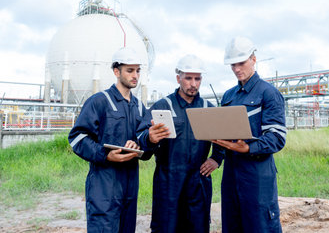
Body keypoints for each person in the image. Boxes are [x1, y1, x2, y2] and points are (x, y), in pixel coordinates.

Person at [137, 54, 224, 233]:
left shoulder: (209, 109)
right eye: (188, 78)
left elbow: (223, 137)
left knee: (198, 227)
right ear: (178, 78)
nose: (193, 84)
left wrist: (216, 158)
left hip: (198, 181)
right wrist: (150, 138)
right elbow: (141, 136)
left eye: (197, 78)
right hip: (168, 181)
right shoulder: (163, 105)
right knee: (166, 227)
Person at [68, 47, 149, 233]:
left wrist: (143, 143)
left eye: (138, 70)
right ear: (116, 71)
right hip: (104, 186)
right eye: (130, 70)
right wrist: (105, 155)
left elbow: (145, 144)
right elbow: (77, 137)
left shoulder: (139, 107)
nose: (135, 75)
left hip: (130, 186)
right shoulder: (99, 101)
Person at [213, 36, 287, 233]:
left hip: (257, 174)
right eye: (232, 64)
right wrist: (215, 157)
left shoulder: (268, 93)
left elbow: (277, 137)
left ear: (254, 59)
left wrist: (248, 147)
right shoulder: (229, 96)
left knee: (260, 225)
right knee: (232, 222)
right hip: (231, 173)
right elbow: (222, 131)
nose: (237, 69)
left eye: (241, 63)